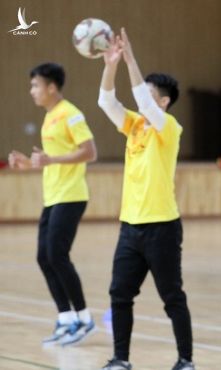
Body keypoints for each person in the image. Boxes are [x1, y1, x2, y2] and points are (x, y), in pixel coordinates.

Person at [97, 29, 194, 370]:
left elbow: (142, 102)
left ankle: (185, 360)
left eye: (151, 97)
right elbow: (106, 102)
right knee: (120, 295)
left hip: (162, 227)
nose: (143, 102)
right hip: (130, 227)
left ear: (163, 101)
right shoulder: (134, 126)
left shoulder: (168, 127)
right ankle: (120, 359)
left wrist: (130, 59)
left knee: (172, 297)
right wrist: (111, 65)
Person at [9, 62, 97, 346]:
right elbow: (54, 159)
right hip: (54, 196)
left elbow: (89, 152)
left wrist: (52, 160)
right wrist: (29, 163)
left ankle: (84, 318)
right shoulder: (50, 117)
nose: (32, 91)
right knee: (43, 257)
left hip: (71, 195)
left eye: (35, 85)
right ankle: (66, 318)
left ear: (51, 87)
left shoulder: (70, 114)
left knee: (57, 255)